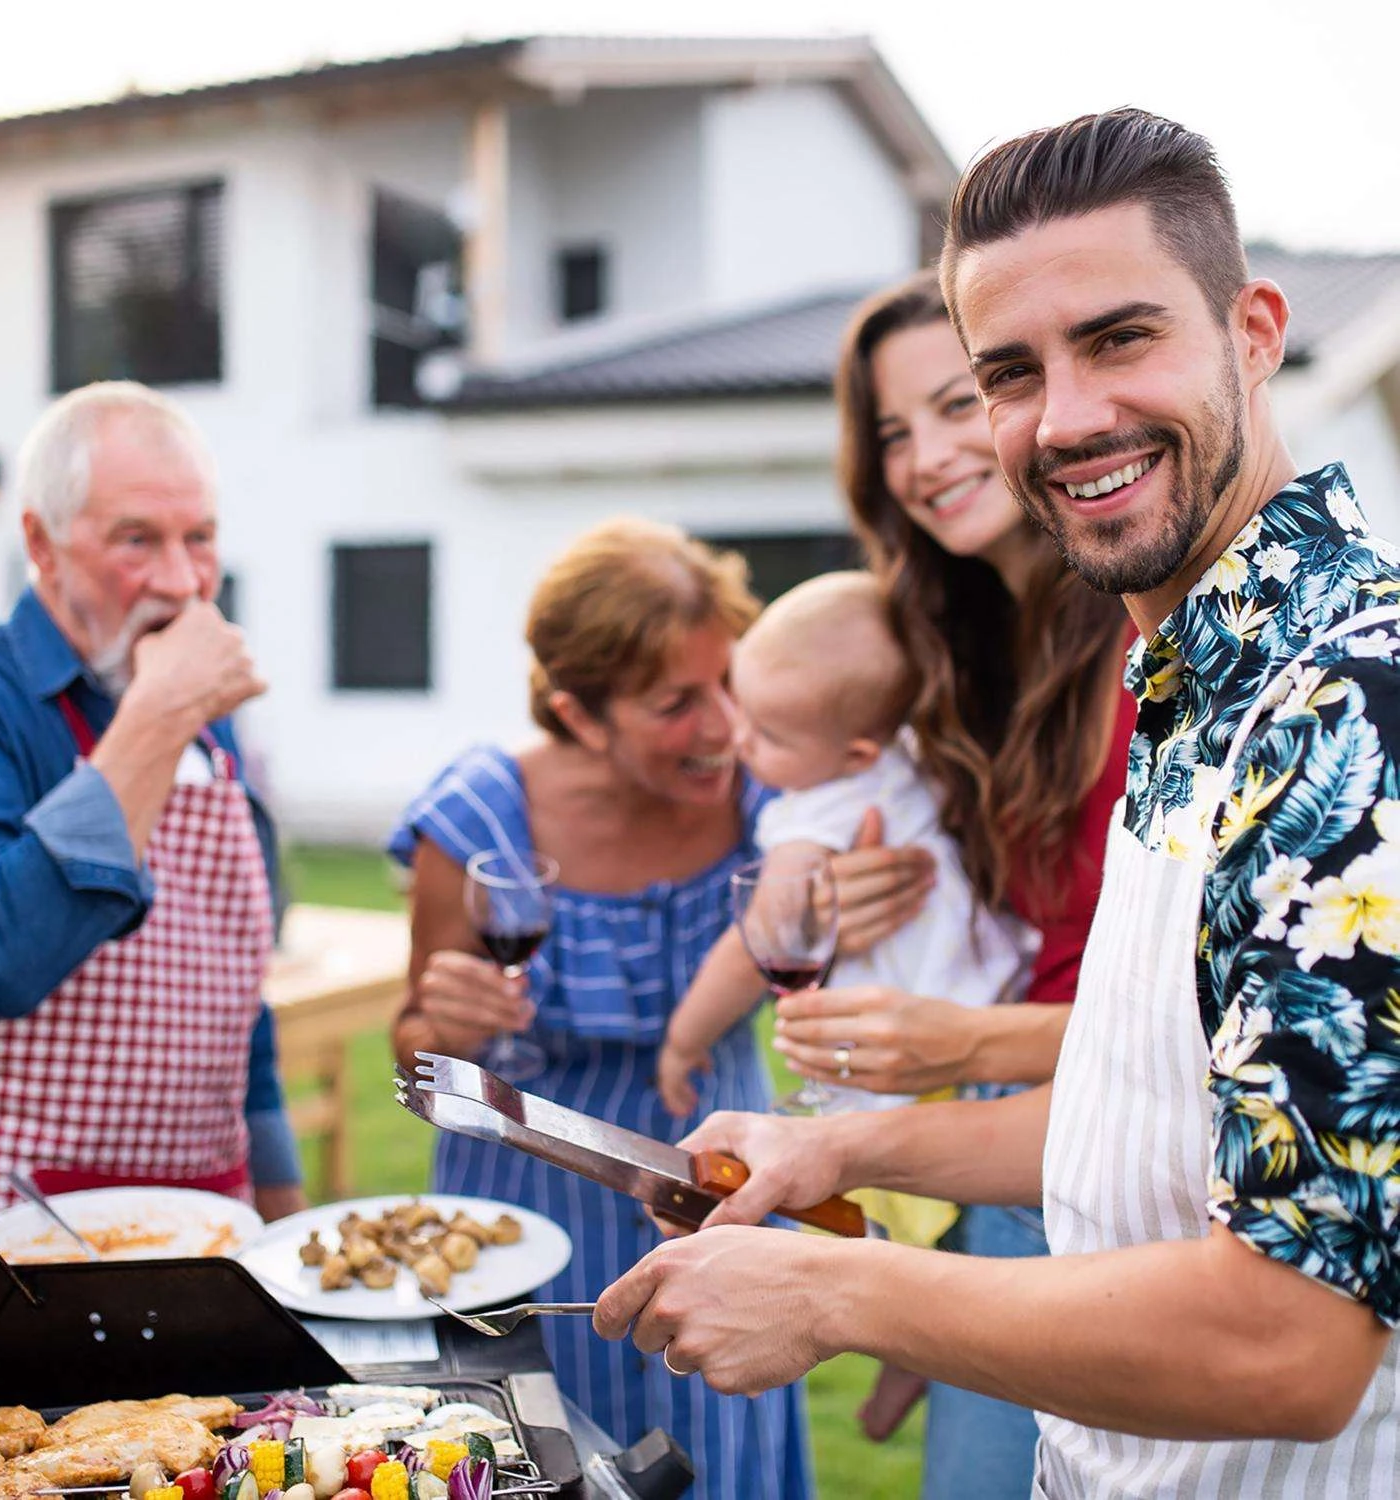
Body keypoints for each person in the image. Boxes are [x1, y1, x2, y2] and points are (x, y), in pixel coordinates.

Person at [595, 109, 1400, 1496]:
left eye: (1122, 338)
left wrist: (834, 1296)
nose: (1068, 417)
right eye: (1011, 373)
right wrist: (837, 1145)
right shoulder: (1186, 668)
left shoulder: (1347, 705)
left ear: (1255, 332)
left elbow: (1294, 1340)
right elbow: (1156, 1112)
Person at [389, 519, 933, 1500]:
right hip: (523, 1220)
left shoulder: (771, 788)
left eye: (727, 682)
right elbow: (415, 1044)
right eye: (676, 703)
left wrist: (865, 900)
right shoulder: (476, 818)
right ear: (580, 714)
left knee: (718, 1466)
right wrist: (443, 1024)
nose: (725, 724)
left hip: (716, 1195)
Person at [760, 268, 1134, 1494]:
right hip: (1017, 1167)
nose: (924, 458)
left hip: (1119, 1182)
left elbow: (1188, 1033)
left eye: (959, 402)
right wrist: (848, 890)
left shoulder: (1148, 647)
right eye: (891, 433)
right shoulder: (958, 664)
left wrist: (959, 1040)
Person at [0, 382, 305, 1223]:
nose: (181, 581)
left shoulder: (210, 720)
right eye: (136, 540)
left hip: (204, 1218)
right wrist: (157, 715)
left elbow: (236, 988)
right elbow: (0, 954)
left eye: (200, 538)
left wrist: (281, 1192)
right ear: (41, 545)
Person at [655, 569, 1034, 1124]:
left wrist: (684, 1041)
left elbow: (766, 938)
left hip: (906, 1045)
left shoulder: (821, 808)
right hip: (984, 1000)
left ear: (855, 754)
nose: (739, 739)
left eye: (770, 736)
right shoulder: (907, 756)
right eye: (744, 711)